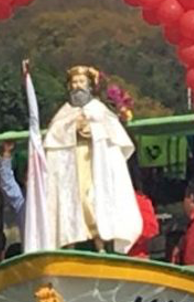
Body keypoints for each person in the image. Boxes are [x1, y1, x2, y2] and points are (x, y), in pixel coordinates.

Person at [41, 65, 142, 253]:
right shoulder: (64, 112)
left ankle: (100, 243)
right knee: (71, 202)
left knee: (94, 200)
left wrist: (92, 130)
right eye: (74, 82)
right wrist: (72, 128)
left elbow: (113, 135)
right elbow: (54, 136)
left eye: (81, 82)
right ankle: (69, 242)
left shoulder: (99, 110)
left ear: (88, 85)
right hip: (71, 165)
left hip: (95, 163)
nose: (78, 86)